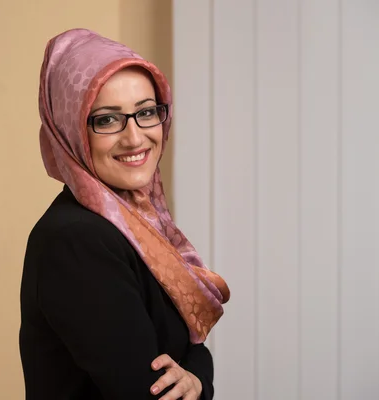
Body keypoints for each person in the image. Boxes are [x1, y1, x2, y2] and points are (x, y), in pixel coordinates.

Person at [19, 28, 230, 400]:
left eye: (146, 112)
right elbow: (154, 392)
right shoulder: (76, 240)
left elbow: (190, 347)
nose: (135, 138)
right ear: (69, 130)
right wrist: (197, 378)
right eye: (107, 119)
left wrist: (197, 379)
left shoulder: (133, 222)